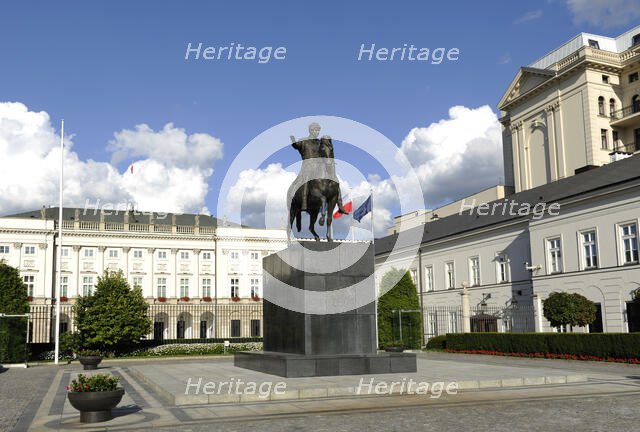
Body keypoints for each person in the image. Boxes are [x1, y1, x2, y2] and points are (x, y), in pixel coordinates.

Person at [290, 123, 349, 214]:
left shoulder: (319, 142)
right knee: (306, 178)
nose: (316, 132)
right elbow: (296, 146)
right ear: (310, 130)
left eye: (318, 130)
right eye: (314, 130)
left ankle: (340, 205)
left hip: (320, 165)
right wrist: (292, 139)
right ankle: (304, 202)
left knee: (334, 180)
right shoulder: (304, 141)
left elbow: (325, 151)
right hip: (308, 166)